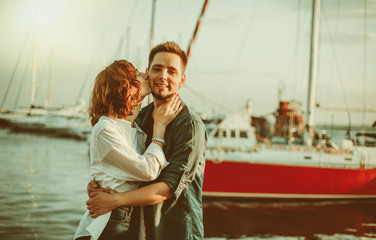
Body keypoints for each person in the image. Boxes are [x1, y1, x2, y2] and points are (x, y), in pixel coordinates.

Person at [86, 42, 207, 240]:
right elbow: (124, 165)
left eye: (172, 71)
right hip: (143, 228)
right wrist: (97, 184)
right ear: (147, 73)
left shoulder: (191, 126)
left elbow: (169, 187)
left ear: (182, 79)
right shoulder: (141, 117)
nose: (163, 76)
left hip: (176, 230)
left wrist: (114, 200)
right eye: (157, 69)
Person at [74, 59, 183, 240]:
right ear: (125, 88)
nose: (145, 75)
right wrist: (159, 129)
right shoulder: (105, 128)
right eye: (137, 75)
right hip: (111, 221)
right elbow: (147, 171)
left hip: (129, 217)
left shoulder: (133, 127)